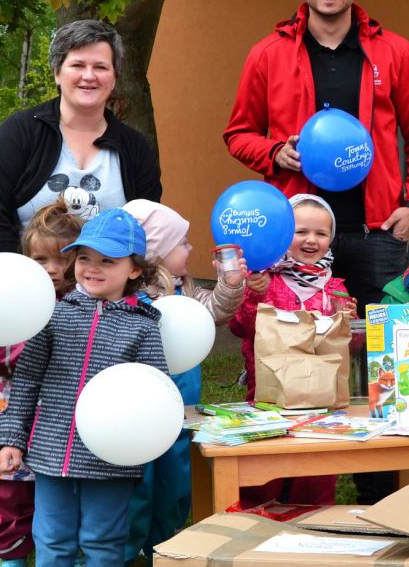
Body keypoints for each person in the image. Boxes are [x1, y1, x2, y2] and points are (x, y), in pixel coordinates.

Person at [0, 19, 162, 564]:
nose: (89, 74)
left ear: (115, 76)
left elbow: (147, 226)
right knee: (6, 427)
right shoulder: (20, 133)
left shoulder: (133, 148)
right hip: (30, 308)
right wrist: (23, 296)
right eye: (77, 64)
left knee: (101, 432)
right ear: (57, 71)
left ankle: (117, 540)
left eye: (101, 65)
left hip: (112, 315)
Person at [223, 0, 409, 315]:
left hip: (376, 232)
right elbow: (239, 134)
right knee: (294, 347)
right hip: (294, 233)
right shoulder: (267, 54)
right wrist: (275, 153)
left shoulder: (395, 52)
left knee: (378, 354)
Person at [0, 208, 167, 567]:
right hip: (50, 451)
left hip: (111, 458)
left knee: (102, 542)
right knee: (52, 540)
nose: (92, 267)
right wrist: (12, 438)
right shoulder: (53, 314)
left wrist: (139, 445)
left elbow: (155, 397)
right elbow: (26, 378)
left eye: (107, 260)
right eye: (85, 257)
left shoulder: (145, 327)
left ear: (134, 269)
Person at [120, 199, 249, 563]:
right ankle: (131, 551)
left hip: (182, 407)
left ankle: (169, 545)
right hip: (139, 411)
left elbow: (215, 313)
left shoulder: (186, 290)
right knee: (138, 482)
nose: (191, 249)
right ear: (157, 251)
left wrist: (230, 284)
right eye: (184, 243)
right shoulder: (129, 295)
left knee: (177, 478)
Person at [228, 194, 354, 508]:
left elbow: (350, 348)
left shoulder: (336, 287)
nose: (311, 240)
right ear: (282, 234)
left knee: (317, 473)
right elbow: (241, 328)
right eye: (301, 232)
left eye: (321, 234)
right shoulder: (264, 280)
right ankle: (255, 528)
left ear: (331, 240)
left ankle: (312, 526)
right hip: (268, 396)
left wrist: (347, 321)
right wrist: (253, 297)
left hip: (322, 401)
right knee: (262, 474)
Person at [0, 200, 82, 567]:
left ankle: (67, 552)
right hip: (16, 412)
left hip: (62, 418)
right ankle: (12, 559)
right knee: (12, 490)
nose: (53, 270)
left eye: (63, 260)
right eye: (41, 260)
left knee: (63, 491)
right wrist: (25, 349)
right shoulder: (12, 301)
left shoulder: (84, 303)